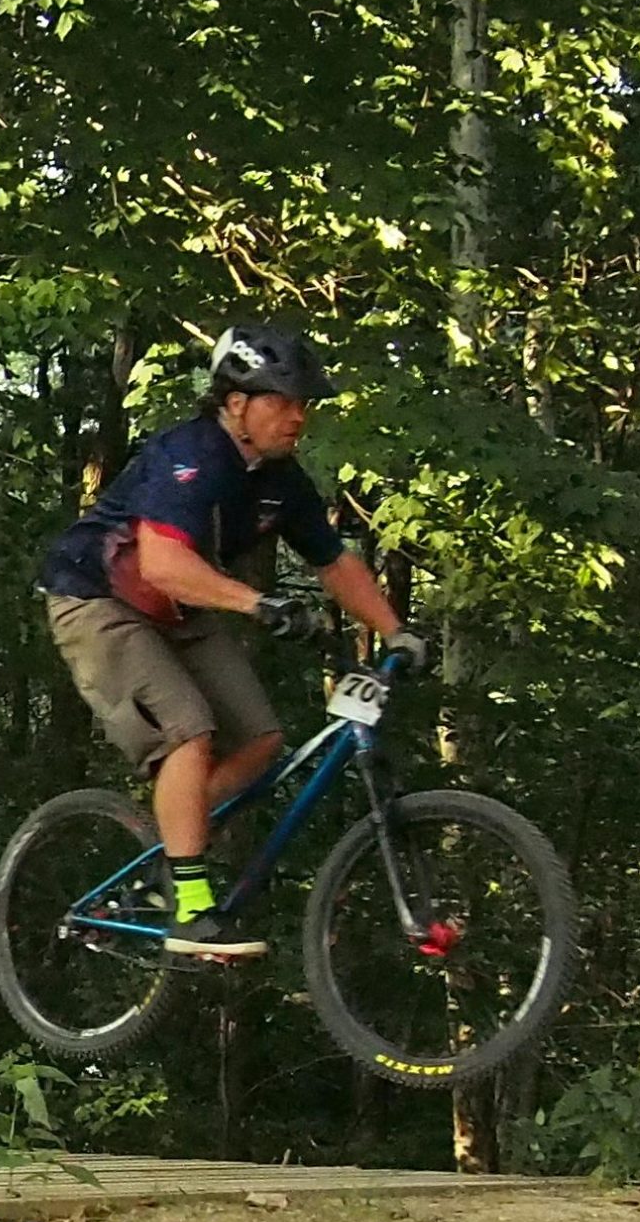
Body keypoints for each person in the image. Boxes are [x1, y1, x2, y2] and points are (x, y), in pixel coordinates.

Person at [39, 321, 425, 960]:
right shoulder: (189, 455)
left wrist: (397, 631)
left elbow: (335, 562)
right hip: (97, 599)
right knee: (188, 732)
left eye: (304, 404)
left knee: (263, 740)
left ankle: (171, 847)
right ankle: (191, 906)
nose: (297, 417)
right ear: (236, 402)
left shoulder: (280, 479)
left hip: (175, 608)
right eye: (282, 401)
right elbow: (162, 563)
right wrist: (256, 602)